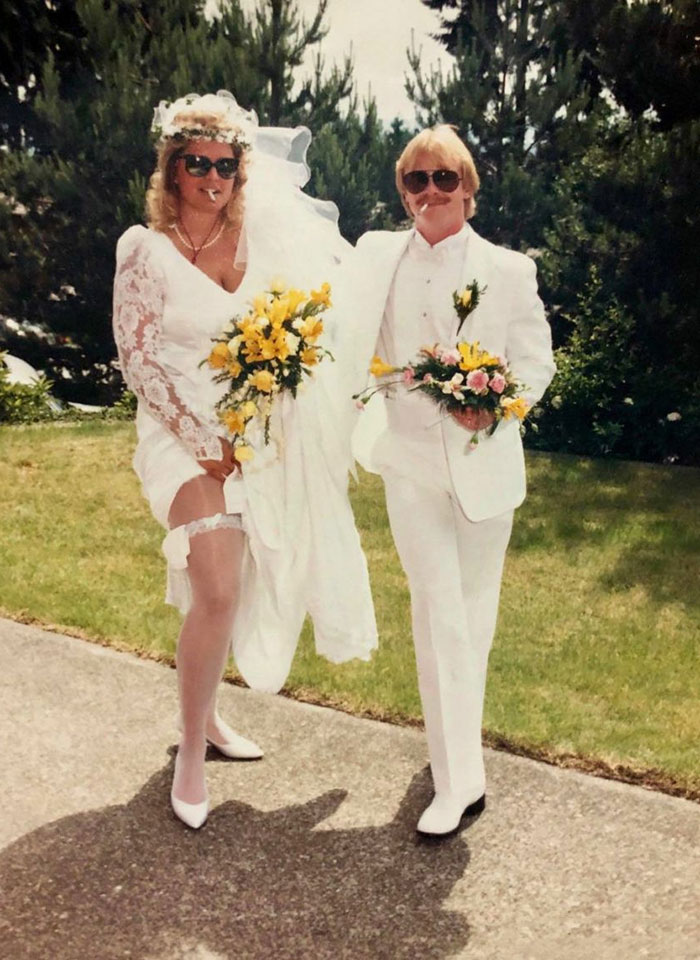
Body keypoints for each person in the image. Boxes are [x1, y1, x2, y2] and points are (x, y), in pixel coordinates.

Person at [112, 91, 377, 830]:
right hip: (178, 434)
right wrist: (202, 442)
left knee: (235, 580)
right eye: (196, 163)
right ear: (172, 168)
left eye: (224, 165)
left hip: (253, 432)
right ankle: (192, 753)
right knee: (220, 584)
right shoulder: (144, 249)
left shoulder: (261, 243)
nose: (211, 178)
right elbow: (138, 359)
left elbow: (309, 323)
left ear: (240, 170)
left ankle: (207, 713)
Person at [350, 125, 555, 836]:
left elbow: (535, 363)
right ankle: (456, 781)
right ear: (403, 192)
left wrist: (496, 406)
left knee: (473, 622)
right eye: (417, 179)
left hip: (484, 469)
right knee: (438, 616)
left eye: (445, 178)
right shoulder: (376, 259)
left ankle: (455, 744)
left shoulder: (510, 269)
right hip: (409, 465)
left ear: (468, 189)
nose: (431, 191)